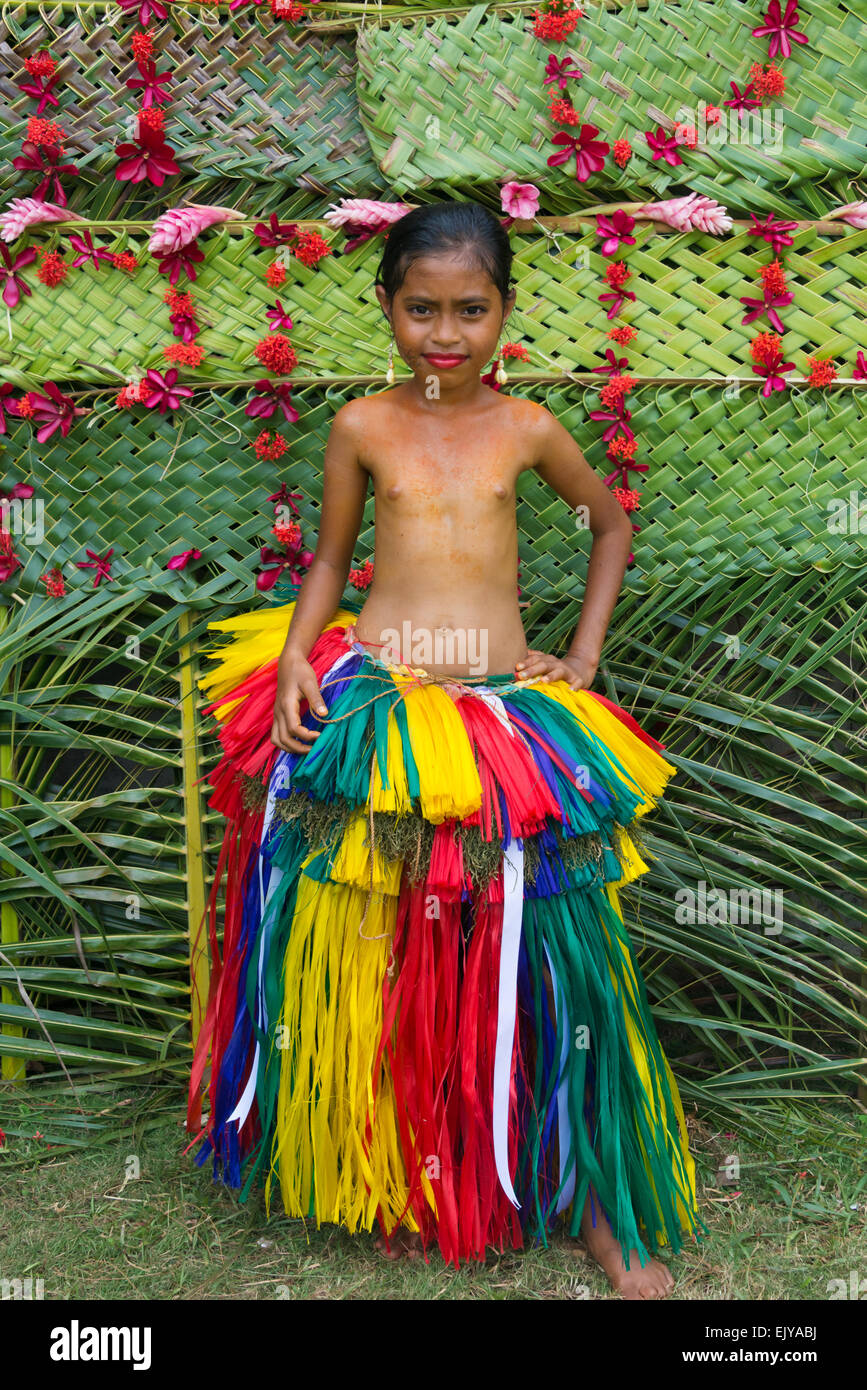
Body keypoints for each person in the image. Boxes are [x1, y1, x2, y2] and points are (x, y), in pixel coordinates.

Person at [185, 199, 706, 1299]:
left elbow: (609, 523)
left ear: (505, 311)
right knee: (394, 956)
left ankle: (596, 1203)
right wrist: (292, 658)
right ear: (387, 309)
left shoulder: (527, 429)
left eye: (471, 309)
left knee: (557, 953)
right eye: (422, 309)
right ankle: (409, 1175)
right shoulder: (361, 427)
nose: (446, 334)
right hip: (381, 707)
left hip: (505, 719)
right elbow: (329, 562)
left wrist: (585, 654)